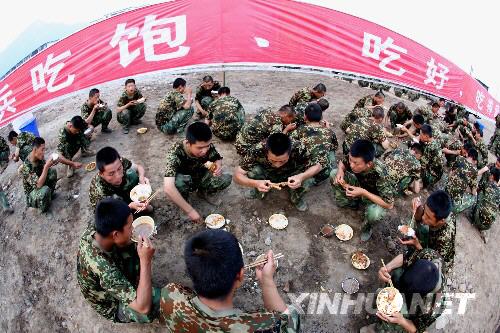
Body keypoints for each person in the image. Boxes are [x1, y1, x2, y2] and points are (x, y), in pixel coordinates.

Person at [157, 229, 301, 331]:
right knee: (292, 311)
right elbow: (289, 323)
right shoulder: (262, 327)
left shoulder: (170, 295)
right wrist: (266, 280)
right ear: (240, 276)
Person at [77, 198, 160, 322]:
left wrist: (128, 207)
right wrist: (145, 261)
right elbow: (143, 308)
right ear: (115, 235)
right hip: (112, 305)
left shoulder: (99, 228)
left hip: (111, 271)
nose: (133, 229)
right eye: (130, 227)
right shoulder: (105, 270)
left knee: (132, 244)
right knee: (155, 301)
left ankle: (135, 284)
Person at [364, 248, 446, 333]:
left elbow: (420, 330)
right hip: (407, 286)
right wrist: (388, 267)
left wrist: (402, 321)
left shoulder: (435, 306)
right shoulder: (429, 254)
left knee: (395, 320)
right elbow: (405, 258)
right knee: (397, 272)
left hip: (414, 309)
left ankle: (382, 329)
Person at [163, 122, 232, 223]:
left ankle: (203, 191)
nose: (204, 151)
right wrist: (190, 211)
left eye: (207, 146)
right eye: (199, 148)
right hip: (186, 182)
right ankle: (184, 204)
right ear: (188, 143)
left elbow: (217, 158)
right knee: (178, 181)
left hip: (201, 176)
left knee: (226, 179)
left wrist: (218, 166)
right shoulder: (175, 152)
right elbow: (168, 188)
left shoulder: (206, 146)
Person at [234, 132, 321, 211]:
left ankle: (295, 197)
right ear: (266, 152)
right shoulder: (257, 149)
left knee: (309, 179)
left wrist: (301, 177)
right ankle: (259, 191)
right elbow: (237, 176)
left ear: (290, 152)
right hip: (267, 174)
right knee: (252, 172)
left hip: (291, 174)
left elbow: (318, 166)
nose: (277, 165)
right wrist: (255, 183)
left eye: (282, 161)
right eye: (273, 160)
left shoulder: (299, 147)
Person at [331, 139, 395, 241]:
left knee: (375, 213)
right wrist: (340, 172)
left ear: (369, 164)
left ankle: (367, 227)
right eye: (351, 160)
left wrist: (363, 192)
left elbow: (389, 204)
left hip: (374, 197)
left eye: (356, 163)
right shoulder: (354, 157)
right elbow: (342, 162)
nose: (351, 165)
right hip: (360, 186)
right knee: (334, 174)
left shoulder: (380, 174)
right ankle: (351, 204)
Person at [400, 191, 456, 273]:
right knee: (411, 228)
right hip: (431, 240)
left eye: (428, 217)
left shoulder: (444, 239)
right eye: (425, 212)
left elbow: (433, 266)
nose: (424, 218)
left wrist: (417, 245)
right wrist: (418, 207)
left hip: (438, 261)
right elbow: (418, 218)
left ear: (441, 221)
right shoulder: (436, 210)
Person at [89, 147, 152, 212]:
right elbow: (106, 217)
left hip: (122, 190)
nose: (118, 176)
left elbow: (138, 167)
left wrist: (141, 178)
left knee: (132, 174)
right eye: (111, 174)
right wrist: (129, 207)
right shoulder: (98, 191)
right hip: (112, 203)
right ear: (101, 174)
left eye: (119, 169)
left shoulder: (120, 162)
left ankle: (134, 200)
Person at [290, 103, 338, 184]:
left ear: (305, 116)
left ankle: (307, 179)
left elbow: (290, 144)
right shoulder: (329, 132)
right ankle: (323, 175)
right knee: (331, 150)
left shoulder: (300, 130)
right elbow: (335, 146)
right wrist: (328, 130)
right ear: (321, 117)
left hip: (303, 170)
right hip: (323, 173)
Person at [19, 137, 58, 213]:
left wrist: (51, 164)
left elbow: (44, 171)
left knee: (52, 171)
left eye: (44, 149)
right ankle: (43, 208)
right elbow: (38, 185)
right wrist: (47, 166)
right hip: (32, 193)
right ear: (35, 150)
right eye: (42, 149)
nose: (44, 152)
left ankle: (50, 195)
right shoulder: (26, 166)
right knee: (45, 190)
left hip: (39, 182)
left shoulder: (39, 157)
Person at [468, 167, 499, 242]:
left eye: (490, 174)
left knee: (480, 193)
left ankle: (473, 216)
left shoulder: (487, 184)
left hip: (477, 219)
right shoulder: (499, 191)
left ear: (492, 176)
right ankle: (484, 230)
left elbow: (476, 189)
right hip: (487, 226)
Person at [444, 148, 478, 214]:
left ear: (467, 154)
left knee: (450, 175)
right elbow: (474, 192)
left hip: (447, 189)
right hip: (454, 199)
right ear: (475, 160)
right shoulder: (474, 171)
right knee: (474, 196)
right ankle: (454, 208)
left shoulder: (459, 158)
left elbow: (451, 173)